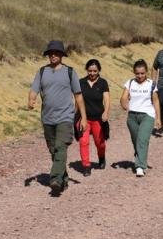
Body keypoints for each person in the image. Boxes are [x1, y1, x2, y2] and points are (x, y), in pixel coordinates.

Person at [28, 40, 87, 196]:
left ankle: (54, 179)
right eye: (50, 53)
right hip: (47, 118)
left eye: (56, 53)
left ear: (62, 55)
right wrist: (31, 99)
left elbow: (79, 96)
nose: (53, 55)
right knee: (54, 150)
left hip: (65, 117)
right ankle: (63, 179)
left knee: (61, 147)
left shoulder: (70, 72)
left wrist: (84, 118)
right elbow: (34, 89)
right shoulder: (41, 72)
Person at [120, 60, 161, 177]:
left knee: (142, 140)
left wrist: (158, 118)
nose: (140, 76)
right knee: (136, 140)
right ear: (134, 72)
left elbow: (156, 101)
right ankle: (140, 158)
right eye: (137, 73)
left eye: (142, 73)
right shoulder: (130, 83)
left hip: (147, 115)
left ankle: (140, 166)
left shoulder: (151, 84)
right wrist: (123, 103)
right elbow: (123, 97)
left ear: (146, 72)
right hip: (132, 116)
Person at [78, 58, 110, 175]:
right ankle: (86, 165)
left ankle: (101, 157)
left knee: (99, 143)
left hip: (98, 118)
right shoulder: (80, 82)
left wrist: (106, 112)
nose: (92, 73)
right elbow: (77, 99)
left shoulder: (103, 83)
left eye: (95, 71)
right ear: (87, 70)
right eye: (90, 71)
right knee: (83, 142)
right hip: (84, 118)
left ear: (98, 71)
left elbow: (106, 99)